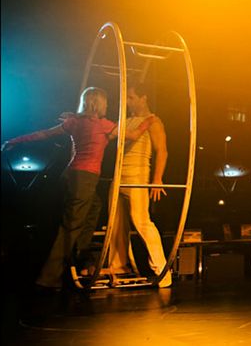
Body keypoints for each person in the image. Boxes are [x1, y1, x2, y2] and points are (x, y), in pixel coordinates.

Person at [1, 87, 154, 290]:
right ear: (100, 104)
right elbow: (133, 135)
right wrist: (149, 121)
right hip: (85, 178)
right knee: (70, 226)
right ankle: (48, 278)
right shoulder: (103, 125)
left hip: (70, 175)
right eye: (106, 103)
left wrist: (14, 141)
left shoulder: (75, 122)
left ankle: (83, 253)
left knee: (94, 206)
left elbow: (44, 134)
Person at [106, 83, 172, 288]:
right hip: (119, 177)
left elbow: (162, 151)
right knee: (116, 225)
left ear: (144, 98)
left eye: (131, 98)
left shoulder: (153, 121)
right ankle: (119, 265)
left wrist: (157, 179)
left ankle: (162, 270)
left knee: (142, 221)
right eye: (127, 98)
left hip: (137, 177)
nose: (128, 102)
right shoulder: (126, 120)